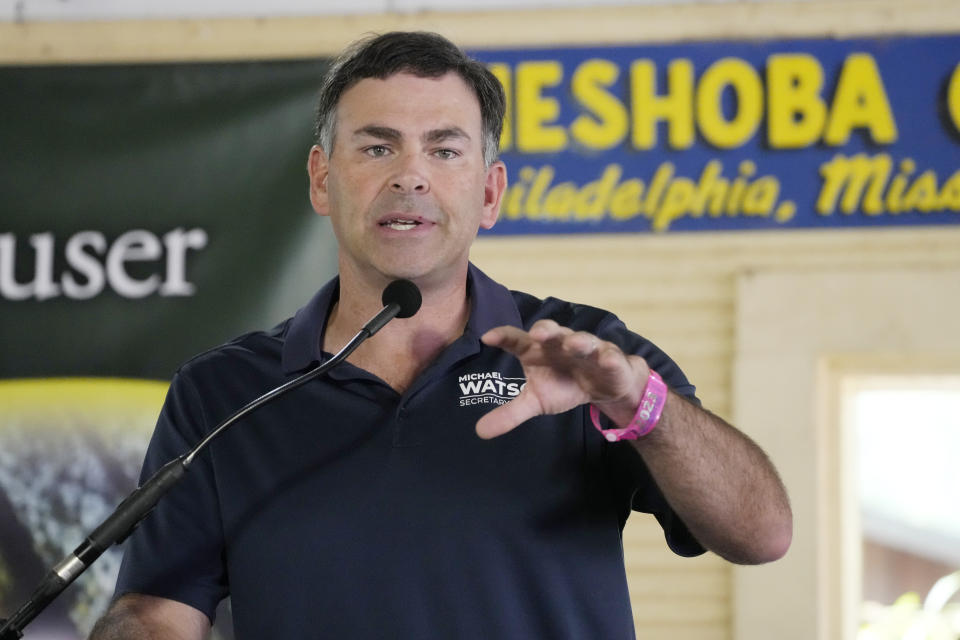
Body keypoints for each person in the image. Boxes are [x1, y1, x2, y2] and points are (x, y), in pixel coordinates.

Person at [90, 31, 792, 640]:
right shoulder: (223, 393)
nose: (411, 177)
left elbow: (762, 534)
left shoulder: (586, 356)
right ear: (321, 180)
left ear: (489, 194)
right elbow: (160, 607)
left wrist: (642, 408)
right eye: (377, 147)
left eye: (444, 150)